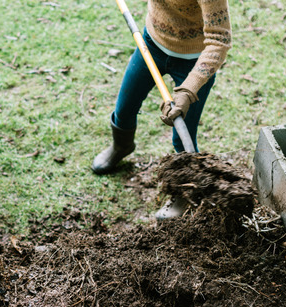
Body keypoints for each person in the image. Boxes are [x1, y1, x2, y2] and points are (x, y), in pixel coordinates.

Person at [91, 0, 232, 220]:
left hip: (192, 63)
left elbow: (219, 40)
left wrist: (188, 90)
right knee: (124, 109)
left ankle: (183, 191)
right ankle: (122, 146)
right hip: (151, 45)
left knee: (183, 136)